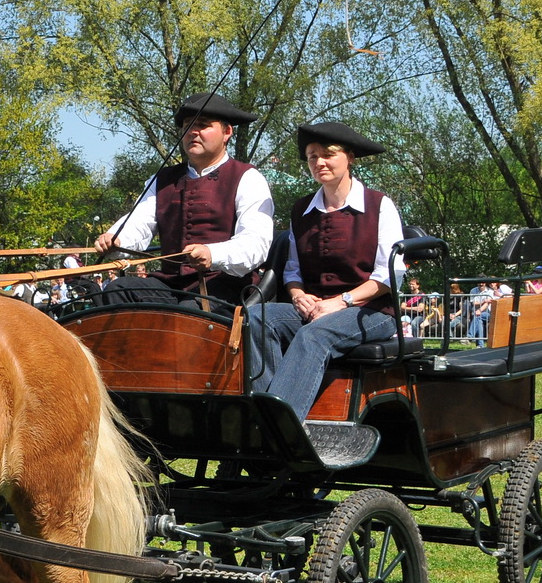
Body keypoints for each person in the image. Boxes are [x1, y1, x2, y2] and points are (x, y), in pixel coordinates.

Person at [249, 122, 405, 420]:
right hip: (316, 307)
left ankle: (282, 424)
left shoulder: (379, 205)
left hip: (372, 311)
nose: (318, 162)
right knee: (257, 318)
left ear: (350, 158)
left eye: (327, 155)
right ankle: (264, 412)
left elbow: (389, 275)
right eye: (311, 156)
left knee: (314, 335)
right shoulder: (301, 210)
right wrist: (297, 296)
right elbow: (292, 270)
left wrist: (341, 301)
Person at [95, 91, 274, 306]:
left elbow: (256, 243)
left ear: (227, 132)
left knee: (187, 313)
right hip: (170, 285)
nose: (193, 132)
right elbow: (139, 222)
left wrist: (213, 253)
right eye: (188, 125)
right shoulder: (162, 180)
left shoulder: (247, 178)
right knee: (118, 290)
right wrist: (117, 238)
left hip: (224, 286)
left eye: (203, 125)